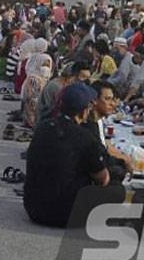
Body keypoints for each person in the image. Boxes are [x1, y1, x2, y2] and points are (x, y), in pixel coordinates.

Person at [23, 83, 124, 228]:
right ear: (83, 111)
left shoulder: (43, 127)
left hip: (33, 208)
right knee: (117, 189)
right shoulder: (85, 137)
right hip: (65, 215)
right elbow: (103, 179)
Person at [21, 52, 53, 129]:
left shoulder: (46, 78)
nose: (46, 68)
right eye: (43, 65)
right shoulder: (33, 79)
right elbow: (31, 98)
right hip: (33, 109)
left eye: (48, 66)